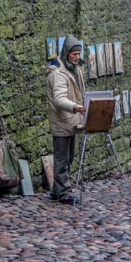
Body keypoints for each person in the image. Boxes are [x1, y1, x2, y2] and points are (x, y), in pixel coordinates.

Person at [45, 34, 85, 204]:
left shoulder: (75, 70)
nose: (77, 57)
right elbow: (59, 98)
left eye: (78, 54)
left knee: (68, 157)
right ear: (66, 53)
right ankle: (64, 193)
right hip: (63, 120)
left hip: (72, 120)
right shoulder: (58, 74)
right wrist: (74, 107)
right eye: (74, 54)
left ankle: (56, 190)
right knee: (62, 158)